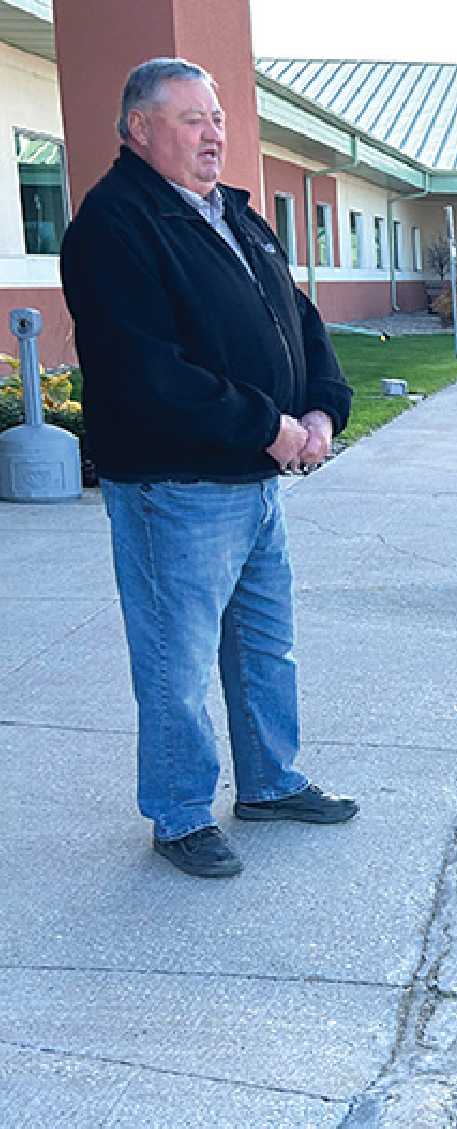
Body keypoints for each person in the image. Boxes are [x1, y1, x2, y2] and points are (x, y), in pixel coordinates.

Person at [60, 58, 358, 879]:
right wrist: (268, 425)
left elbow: (298, 318)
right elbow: (146, 370)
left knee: (266, 647)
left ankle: (269, 781)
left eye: (217, 118)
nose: (214, 134)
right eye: (192, 120)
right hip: (175, 488)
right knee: (176, 663)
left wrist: (323, 406)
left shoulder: (233, 214)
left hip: (255, 481)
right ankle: (181, 812)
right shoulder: (114, 226)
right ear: (139, 130)